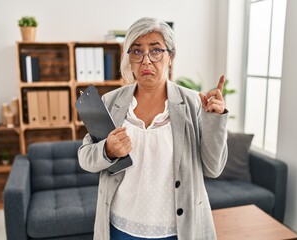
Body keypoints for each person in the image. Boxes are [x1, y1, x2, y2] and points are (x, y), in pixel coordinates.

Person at [78, 17, 228, 240]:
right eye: (137, 52)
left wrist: (215, 121)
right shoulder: (111, 102)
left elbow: (213, 169)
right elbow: (85, 157)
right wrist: (107, 150)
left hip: (177, 230)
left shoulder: (194, 103)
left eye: (156, 50)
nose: (146, 61)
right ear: (129, 58)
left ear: (170, 56)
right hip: (120, 227)